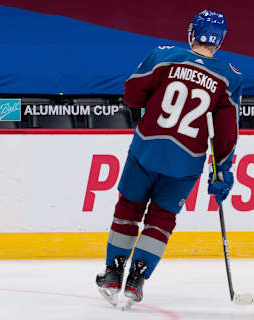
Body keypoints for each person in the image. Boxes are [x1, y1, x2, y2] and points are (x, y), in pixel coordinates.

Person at [96, 10, 241, 306]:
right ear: (220, 40)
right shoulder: (229, 77)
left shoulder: (164, 56)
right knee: (162, 219)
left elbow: (132, 95)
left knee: (128, 208)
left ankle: (113, 272)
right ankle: (137, 279)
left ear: (192, 32)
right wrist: (222, 173)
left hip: (147, 148)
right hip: (185, 163)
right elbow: (225, 136)